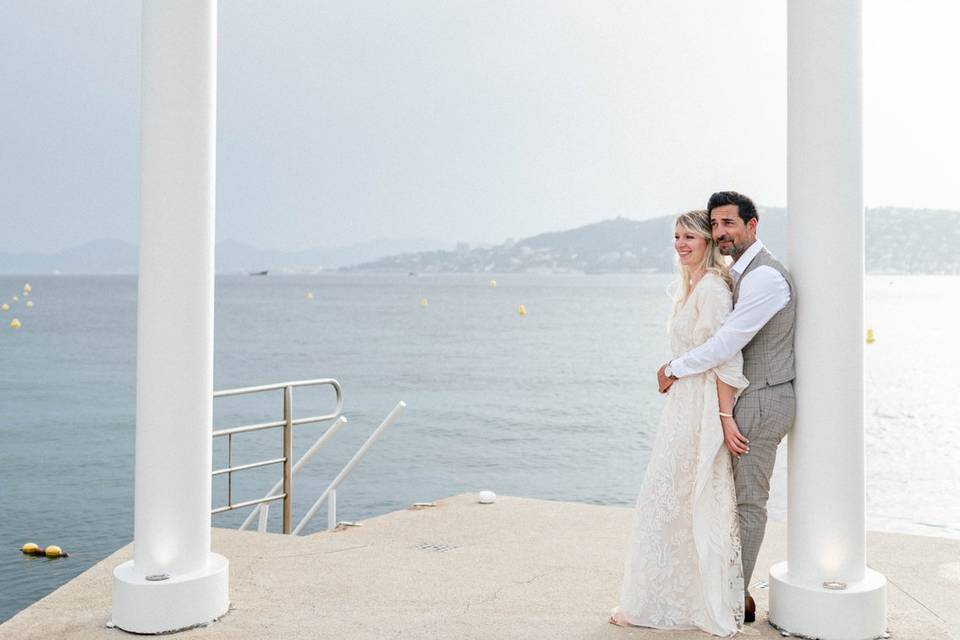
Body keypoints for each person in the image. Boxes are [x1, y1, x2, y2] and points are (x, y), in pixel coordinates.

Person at [656, 191, 796, 625]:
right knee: (727, 499)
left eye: (729, 224)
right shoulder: (738, 275)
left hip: (762, 398)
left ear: (752, 226)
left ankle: (733, 600)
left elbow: (726, 343)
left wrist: (675, 368)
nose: (721, 233)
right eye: (715, 225)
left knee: (747, 502)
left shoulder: (764, 278)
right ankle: (730, 592)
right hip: (747, 397)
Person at [610, 208, 748, 636]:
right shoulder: (689, 288)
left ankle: (698, 601)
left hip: (702, 410)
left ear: (708, 242)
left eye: (690, 236)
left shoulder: (712, 288)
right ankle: (664, 597)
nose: (681, 244)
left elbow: (727, 356)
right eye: (676, 237)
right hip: (681, 409)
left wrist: (724, 417)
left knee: (692, 499)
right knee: (668, 501)